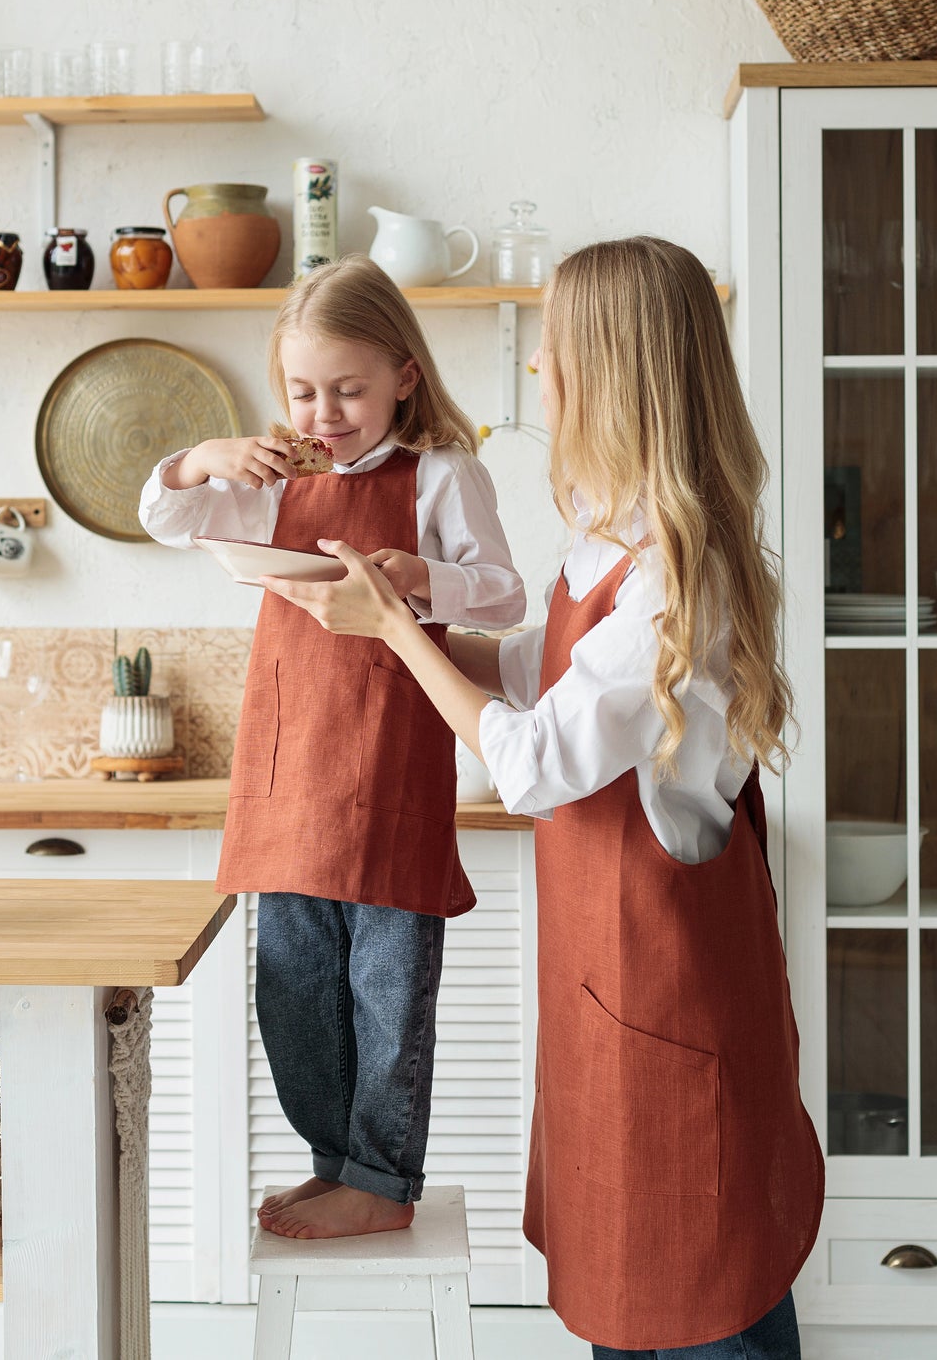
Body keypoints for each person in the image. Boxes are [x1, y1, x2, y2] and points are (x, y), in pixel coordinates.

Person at [263, 237, 824, 1356]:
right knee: (626, 1295)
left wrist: (396, 636)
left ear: (606, 371)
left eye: (554, 349)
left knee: (718, 1299)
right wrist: (413, 611)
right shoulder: (608, 538)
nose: (537, 372)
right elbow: (534, 669)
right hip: (606, 1008)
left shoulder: (678, 575)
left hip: (677, 1010)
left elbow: (528, 761)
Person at [139, 254, 525, 1241]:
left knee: (385, 990)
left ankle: (382, 1180)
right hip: (289, 769)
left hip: (389, 767)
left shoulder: (443, 471)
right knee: (296, 989)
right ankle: (335, 1161)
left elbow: (507, 593)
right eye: (302, 390)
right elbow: (164, 515)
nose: (322, 411)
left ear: (404, 374)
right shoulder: (277, 477)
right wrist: (198, 461)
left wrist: (422, 578)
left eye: (347, 388)